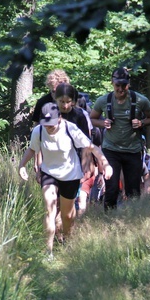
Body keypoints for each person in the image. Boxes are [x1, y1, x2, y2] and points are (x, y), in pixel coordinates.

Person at [18, 103, 113, 257]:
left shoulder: (71, 129)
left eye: (51, 124)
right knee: (50, 209)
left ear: (59, 119)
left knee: (67, 216)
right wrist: (22, 165)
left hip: (70, 175)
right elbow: (32, 149)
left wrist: (106, 164)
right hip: (49, 173)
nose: (48, 127)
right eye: (45, 123)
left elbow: (93, 147)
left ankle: (67, 243)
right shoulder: (39, 131)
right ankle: (47, 252)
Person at [90, 67, 150, 209]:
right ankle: (109, 219)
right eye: (117, 85)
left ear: (129, 84)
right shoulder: (104, 100)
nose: (121, 89)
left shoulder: (140, 100)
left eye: (124, 85)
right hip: (111, 150)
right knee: (112, 188)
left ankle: (133, 219)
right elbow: (92, 119)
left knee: (133, 190)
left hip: (133, 150)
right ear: (112, 83)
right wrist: (103, 123)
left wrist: (141, 122)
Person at [54, 83, 96, 215]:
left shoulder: (80, 116)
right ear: (56, 99)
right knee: (54, 200)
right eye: (62, 102)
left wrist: (86, 166)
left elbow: (86, 144)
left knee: (68, 200)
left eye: (68, 102)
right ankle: (55, 230)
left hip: (73, 162)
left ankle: (65, 231)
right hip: (53, 162)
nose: (65, 106)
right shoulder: (50, 113)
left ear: (73, 101)